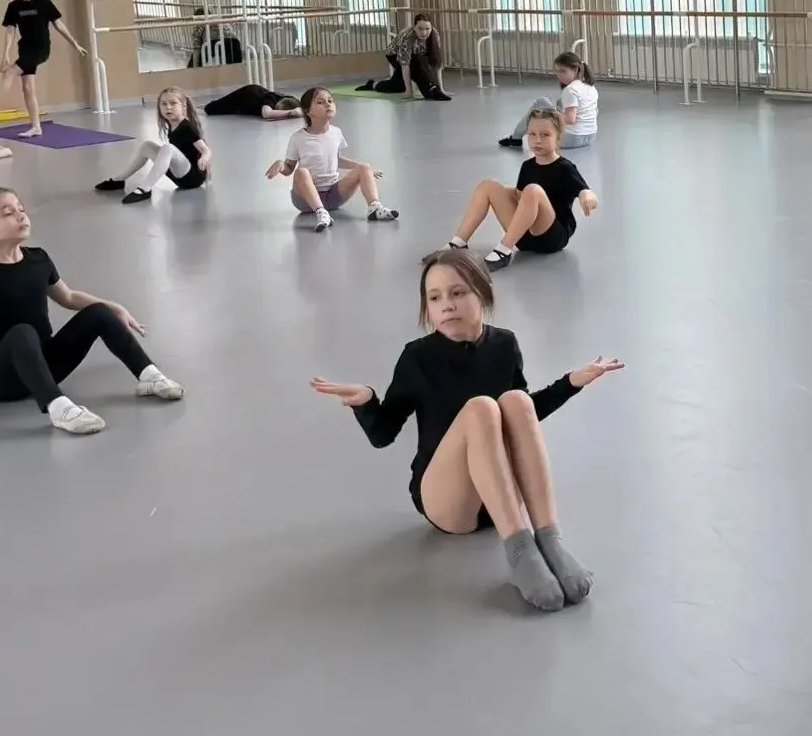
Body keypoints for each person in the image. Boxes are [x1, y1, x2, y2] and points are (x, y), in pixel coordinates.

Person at [311, 246, 622, 611]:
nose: (446, 305)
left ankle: (550, 541)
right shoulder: (417, 357)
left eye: (457, 293)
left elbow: (524, 420)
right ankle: (519, 551)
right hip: (447, 503)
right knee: (482, 408)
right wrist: (366, 401)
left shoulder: (504, 344)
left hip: (499, 498)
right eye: (435, 297)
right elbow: (383, 434)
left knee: (515, 401)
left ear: (482, 294)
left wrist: (571, 383)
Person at [0, 186, 183, 435]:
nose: (21, 215)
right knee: (22, 332)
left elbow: (68, 296)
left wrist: (114, 308)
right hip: (2, 379)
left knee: (97, 312)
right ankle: (59, 407)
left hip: (45, 365)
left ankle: (148, 375)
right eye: (8, 213)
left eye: (21, 209)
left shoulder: (38, 259)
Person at [450, 110, 597, 271]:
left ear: (557, 137)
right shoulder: (527, 166)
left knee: (532, 190)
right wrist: (497, 192)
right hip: (522, 237)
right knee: (488, 185)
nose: (537, 140)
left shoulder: (565, 168)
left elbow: (584, 190)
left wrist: (586, 195)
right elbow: (518, 196)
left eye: (545, 135)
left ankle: (504, 250)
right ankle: (458, 242)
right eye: (532, 134)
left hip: (552, 237)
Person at [266, 87, 398, 231]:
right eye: (320, 102)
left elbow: (337, 159)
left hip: (334, 196)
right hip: (305, 200)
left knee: (365, 166)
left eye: (330, 101)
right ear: (308, 111)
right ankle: (321, 213)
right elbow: (289, 169)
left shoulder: (336, 132)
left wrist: (365, 171)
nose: (328, 104)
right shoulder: (297, 138)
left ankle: (374, 208)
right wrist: (281, 164)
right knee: (301, 172)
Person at [0, 0, 87, 138]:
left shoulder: (44, 3)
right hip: (25, 49)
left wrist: (75, 44)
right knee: (27, 88)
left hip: (41, 49)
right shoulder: (14, 6)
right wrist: (5, 53)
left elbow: (59, 25)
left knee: (9, 72)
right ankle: (36, 127)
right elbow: (10, 30)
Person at [94, 88, 210, 206]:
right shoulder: (172, 125)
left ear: (183, 106)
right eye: (163, 104)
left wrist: (204, 158)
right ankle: (119, 180)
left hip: (192, 178)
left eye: (173, 103)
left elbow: (206, 150)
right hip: (178, 175)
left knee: (168, 148)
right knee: (147, 146)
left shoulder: (187, 127)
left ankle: (145, 188)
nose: (168, 107)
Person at [499, 53, 599, 150]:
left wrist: (548, 115)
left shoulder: (570, 90)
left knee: (541, 103)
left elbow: (570, 119)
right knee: (558, 103)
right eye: (557, 72)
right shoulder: (590, 86)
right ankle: (516, 137)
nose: (559, 75)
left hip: (572, 139)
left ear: (575, 70)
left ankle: (516, 137)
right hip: (590, 136)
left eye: (563, 71)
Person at [358, 13, 449, 100]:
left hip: (417, 56)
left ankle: (372, 84)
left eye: (427, 29)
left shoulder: (434, 34)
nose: (424, 32)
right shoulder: (407, 37)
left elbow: (437, 62)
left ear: (431, 27)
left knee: (399, 85)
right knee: (416, 70)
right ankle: (430, 91)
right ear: (414, 27)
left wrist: (441, 89)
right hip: (395, 55)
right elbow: (405, 64)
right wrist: (409, 91)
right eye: (420, 29)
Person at [203, 85, 301, 120]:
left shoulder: (293, 100)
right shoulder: (271, 99)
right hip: (245, 96)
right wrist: (289, 113)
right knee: (210, 109)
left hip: (255, 94)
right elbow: (266, 114)